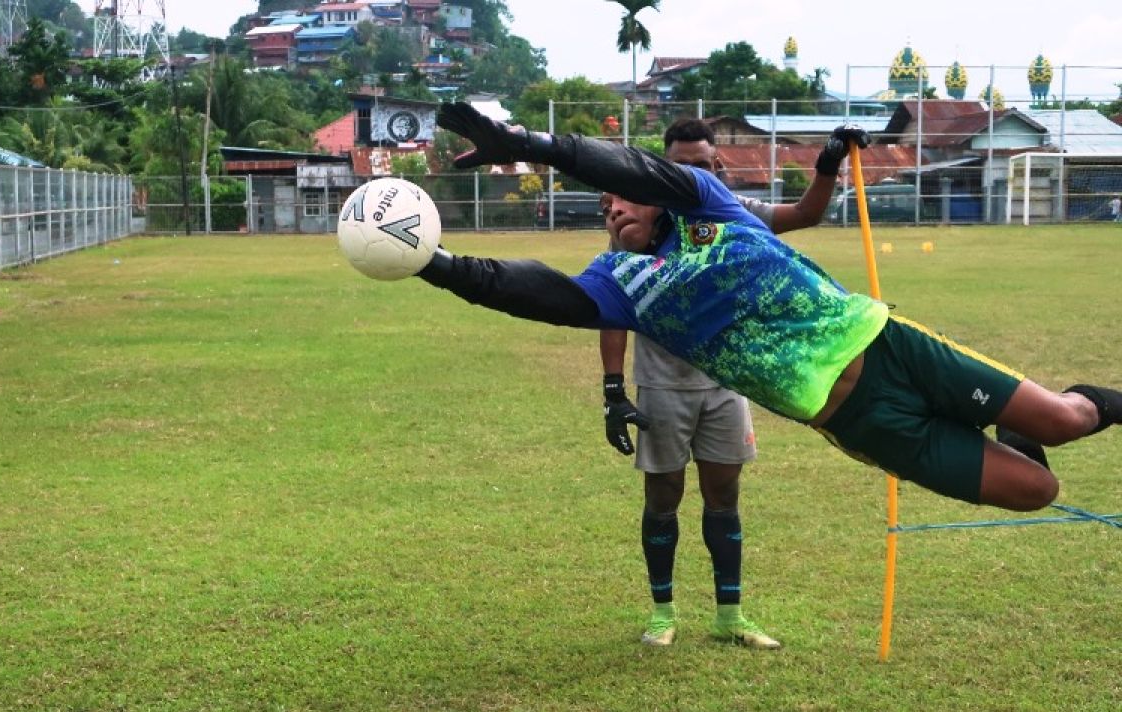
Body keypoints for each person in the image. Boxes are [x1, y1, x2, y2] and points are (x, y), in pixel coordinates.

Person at [411, 102, 1122, 517]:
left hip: (890, 348)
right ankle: (1012, 434)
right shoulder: (619, 281)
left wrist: (538, 147)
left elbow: (624, 166)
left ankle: (1064, 411)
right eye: (602, 206)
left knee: (1065, 419)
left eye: (619, 196)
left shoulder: (707, 202)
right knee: (1036, 488)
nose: (611, 205)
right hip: (858, 418)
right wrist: (437, 266)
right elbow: (533, 291)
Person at [600, 118, 862, 649]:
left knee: (724, 498)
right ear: (662, 167)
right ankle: (662, 613)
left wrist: (829, 163)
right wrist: (612, 389)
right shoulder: (643, 220)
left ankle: (730, 616)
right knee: (663, 497)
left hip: (726, 385)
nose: (691, 173)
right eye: (680, 165)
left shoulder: (734, 214)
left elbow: (807, 213)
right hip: (662, 387)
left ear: (717, 165)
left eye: (700, 164)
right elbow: (613, 304)